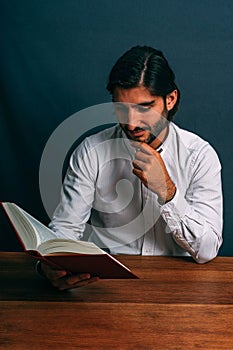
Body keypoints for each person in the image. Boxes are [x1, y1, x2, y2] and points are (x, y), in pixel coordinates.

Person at [39, 45, 223, 290]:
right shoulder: (91, 151)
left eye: (144, 108)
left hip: (178, 288)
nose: (132, 122)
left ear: (170, 99)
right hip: (104, 287)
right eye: (121, 108)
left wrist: (168, 192)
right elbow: (66, 228)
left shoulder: (200, 156)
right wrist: (48, 265)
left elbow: (207, 250)